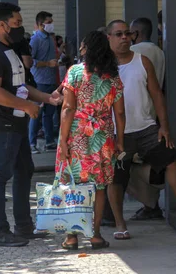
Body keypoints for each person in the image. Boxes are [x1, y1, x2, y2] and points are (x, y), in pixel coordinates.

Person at [106, 20, 176, 240]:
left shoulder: (142, 61)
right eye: (118, 34)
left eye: (128, 33)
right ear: (109, 37)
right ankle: (120, 224)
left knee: (172, 160)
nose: (125, 37)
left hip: (146, 128)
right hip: (116, 133)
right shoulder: (103, 65)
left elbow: (157, 95)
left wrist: (164, 126)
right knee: (116, 177)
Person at [0, 2, 60, 247]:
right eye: (16, 23)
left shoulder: (11, 50)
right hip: (3, 123)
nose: (20, 27)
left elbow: (21, 86)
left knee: (24, 170)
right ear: (2, 24)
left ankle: (23, 226)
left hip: (17, 124)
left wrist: (48, 98)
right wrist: (26, 106)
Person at [58, 31, 125, 251]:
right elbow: (120, 113)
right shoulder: (113, 77)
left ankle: (71, 237)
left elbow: (68, 108)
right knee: (99, 187)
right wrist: (120, 141)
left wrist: (63, 139)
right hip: (103, 137)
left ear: (86, 48)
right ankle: (95, 235)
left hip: (76, 135)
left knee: (72, 184)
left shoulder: (75, 72)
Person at [125, 17, 166, 221]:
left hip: (138, 116)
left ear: (136, 33)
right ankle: (151, 205)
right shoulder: (158, 51)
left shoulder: (136, 54)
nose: (125, 38)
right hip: (151, 114)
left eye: (128, 33)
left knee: (129, 166)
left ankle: (150, 204)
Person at [29, 11, 59, 153]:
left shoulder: (50, 39)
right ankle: (32, 142)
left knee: (49, 113)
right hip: (39, 81)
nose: (51, 25)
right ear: (41, 24)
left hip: (51, 80)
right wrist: (47, 64)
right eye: (49, 22)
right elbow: (31, 61)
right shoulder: (35, 40)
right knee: (37, 113)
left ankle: (49, 141)